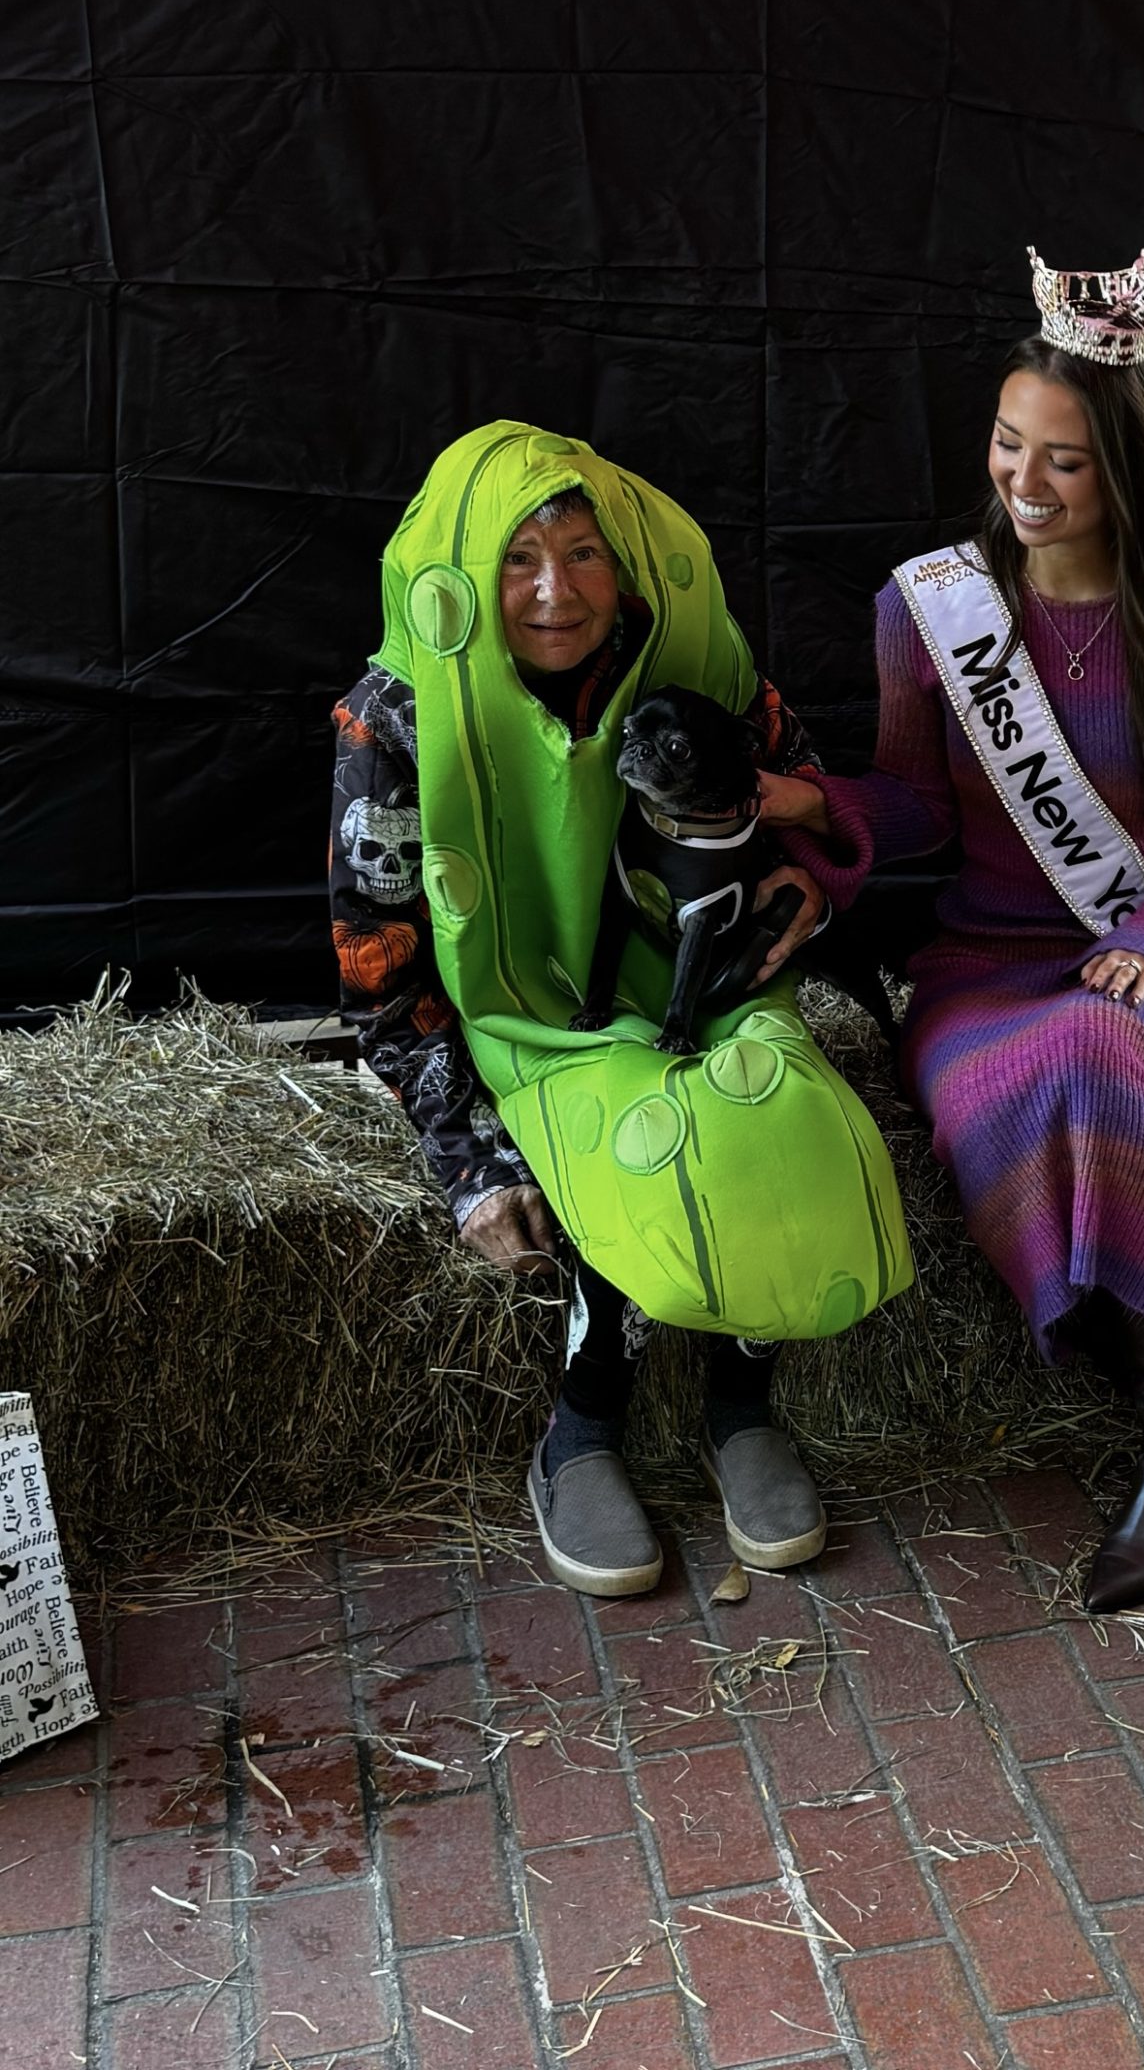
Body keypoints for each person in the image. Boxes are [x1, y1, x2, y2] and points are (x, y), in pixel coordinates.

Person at [762, 252, 1144, 1613]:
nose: (1025, 482)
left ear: (1133, 470)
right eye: (1009, 444)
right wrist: (810, 800)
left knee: (1093, 1044)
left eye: (1067, 462)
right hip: (979, 969)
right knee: (1029, 1066)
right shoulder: (933, 613)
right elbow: (910, 808)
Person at [330, 422, 910, 1598]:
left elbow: (795, 804)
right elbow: (377, 969)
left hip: (705, 986)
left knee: (781, 1109)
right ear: (459, 573)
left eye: (585, 550)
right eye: (519, 555)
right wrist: (468, 1158)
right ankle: (581, 1427)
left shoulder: (687, 656)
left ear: (627, 561)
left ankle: (741, 1404)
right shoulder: (393, 720)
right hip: (532, 1017)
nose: (557, 588)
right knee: (632, 1145)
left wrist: (815, 885)